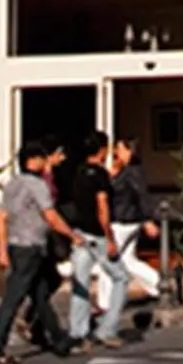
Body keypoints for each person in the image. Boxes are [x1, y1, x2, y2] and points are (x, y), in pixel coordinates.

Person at [0, 141, 75, 364]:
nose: (44, 162)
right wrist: (72, 235)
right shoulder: (37, 185)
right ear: (32, 160)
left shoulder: (12, 184)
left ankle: (59, 340)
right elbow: (50, 216)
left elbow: (1, 218)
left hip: (17, 245)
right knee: (13, 298)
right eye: (42, 158)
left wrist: (2, 250)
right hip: (31, 246)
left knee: (41, 293)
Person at [69, 129, 129, 348]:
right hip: (97, 233)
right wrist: (110, 237)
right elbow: (102, 206)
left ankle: (78, 331)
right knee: (121, 278)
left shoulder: (78, 172)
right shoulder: (100, 175)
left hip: (79, 232)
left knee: (81, 282)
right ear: (102, 150)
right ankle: (107, 328)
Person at [109, 136, 161, 301]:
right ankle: (157, 284)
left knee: (109, 259)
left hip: (125, 220)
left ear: (129, 151)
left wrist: (147, 219)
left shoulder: (132, 172)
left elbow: (141, 195)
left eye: (119, 149)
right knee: (128, 260)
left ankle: (106, 301)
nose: (116, 153)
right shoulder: (127, 171)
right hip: (126, 218)